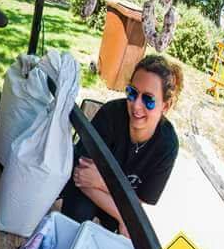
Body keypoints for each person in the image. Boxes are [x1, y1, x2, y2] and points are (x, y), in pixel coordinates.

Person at [61, 55, 182, 237]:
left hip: (114, 201)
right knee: (79, 212)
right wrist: (125, 216)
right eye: (132, 93)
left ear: (166, 105)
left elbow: (138, 203)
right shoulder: (111, 115)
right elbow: (82, 177)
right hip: (93, 195)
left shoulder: (167, 145)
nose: (136, 105)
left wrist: (103, 182)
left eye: (148, 99)